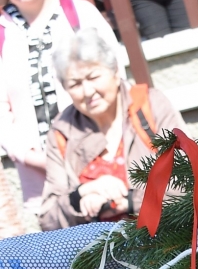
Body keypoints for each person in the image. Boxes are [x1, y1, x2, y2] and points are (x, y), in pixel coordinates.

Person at [0, 0, 121, 225]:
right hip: (42, 183)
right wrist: (37, 158)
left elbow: (115, 80)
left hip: (102, 171)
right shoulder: (2, 33)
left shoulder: (80, 15)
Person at [39, 25, 182, 227]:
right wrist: (81, 195)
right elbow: (48, 220)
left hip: (166, 237)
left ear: (115, 72)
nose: (88, 91)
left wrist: (129, 202)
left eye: (93, 77)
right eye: (75, 84)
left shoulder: (151, 106)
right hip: (99, 245)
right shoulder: (62, 132)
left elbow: (190, 178)